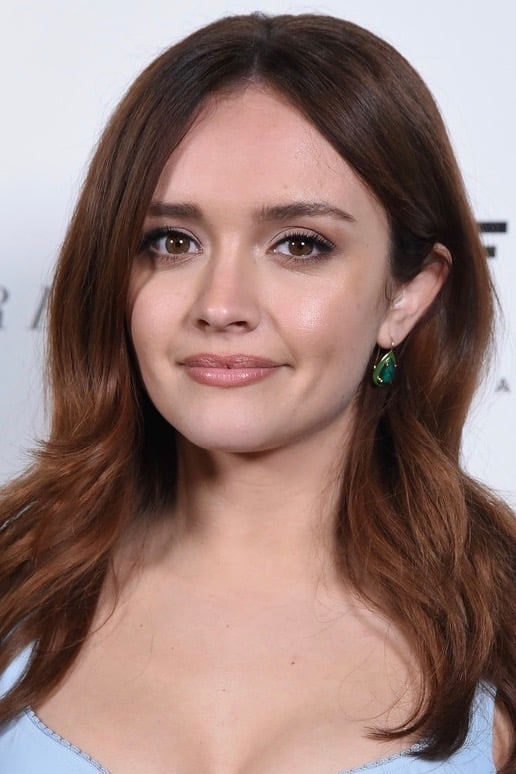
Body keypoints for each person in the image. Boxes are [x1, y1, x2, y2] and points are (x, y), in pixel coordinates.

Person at [0, 12, 514, 774]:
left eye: (300, 244)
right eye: (172, 241)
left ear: (406, 294)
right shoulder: (12, 590)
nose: (221, 304)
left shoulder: (502, 629)